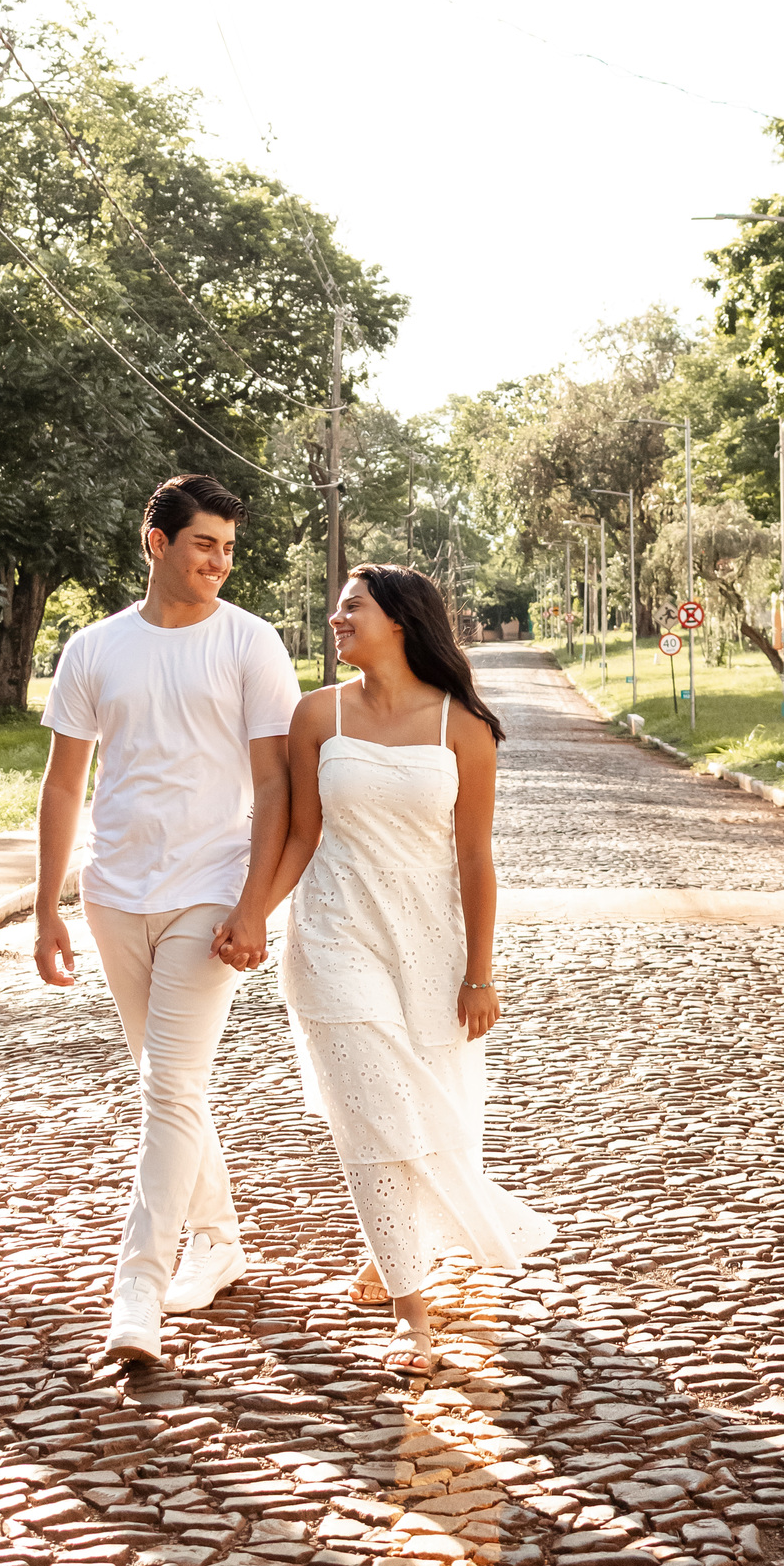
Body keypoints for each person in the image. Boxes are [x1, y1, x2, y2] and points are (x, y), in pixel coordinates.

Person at [213, 564, 555, 1373]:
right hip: (333, 939)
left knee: (433, 1109)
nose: (337, 621)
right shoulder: (315, 716)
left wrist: (481, 973)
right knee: (373, 1112)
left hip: (431, 948)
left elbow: (475, 857)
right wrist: (253, 911)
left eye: (350, 608)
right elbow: (298, 835)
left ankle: (397, 1245)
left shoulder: (461, 727)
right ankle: (413, 1310)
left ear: (399, 620)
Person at [33, 473, 300, 1361]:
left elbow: (274, 785)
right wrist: (49, 907)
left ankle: (135, 1293)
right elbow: (66, 783)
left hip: (209, 893)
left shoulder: (251, 643)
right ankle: (219, 1237)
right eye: (204, 545)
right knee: (170, 1084)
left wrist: (255, 904)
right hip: (114, 895)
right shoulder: (94, 648)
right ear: (158, 542)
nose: (220, 562)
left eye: (228, 548)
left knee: (167, 1088)